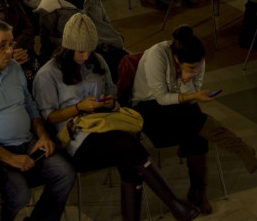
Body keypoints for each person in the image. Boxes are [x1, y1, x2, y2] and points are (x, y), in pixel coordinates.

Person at [33, 14, 200, 221]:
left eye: (90, 50)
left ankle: (171, 207)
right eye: (81, 51)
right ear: (68, 47)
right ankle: (174, 203)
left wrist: (109, 102)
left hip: (104, 125)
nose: (86, 56)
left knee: (129, 162)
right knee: (128, 145)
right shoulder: (48, 74)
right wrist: (79, 107)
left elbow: (112, 94)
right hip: (75, 138)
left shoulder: (97, 61)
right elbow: (49, 117)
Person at [0, 19, 74, 221]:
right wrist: (10, 158)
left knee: (65, 174)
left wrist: (43, 136)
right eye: (3, 45)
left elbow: (29, 104)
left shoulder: (14, 68)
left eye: (11, 44)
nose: (10, 51)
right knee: (19, 195)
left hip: (29, 142)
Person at [132, 25, 257, 213]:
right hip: (148, 107)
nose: (196, 70)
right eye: (192, 68)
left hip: (180, 110)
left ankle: (198, 192)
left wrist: (186, 81)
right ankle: (238, 147)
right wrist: (190, 92)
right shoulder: (157, 55)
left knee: (196, 128)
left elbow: (192, 97)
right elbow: (161, 98)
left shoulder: (197, 60)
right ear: (177, 59)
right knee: (195, 125)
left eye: (198, 66)